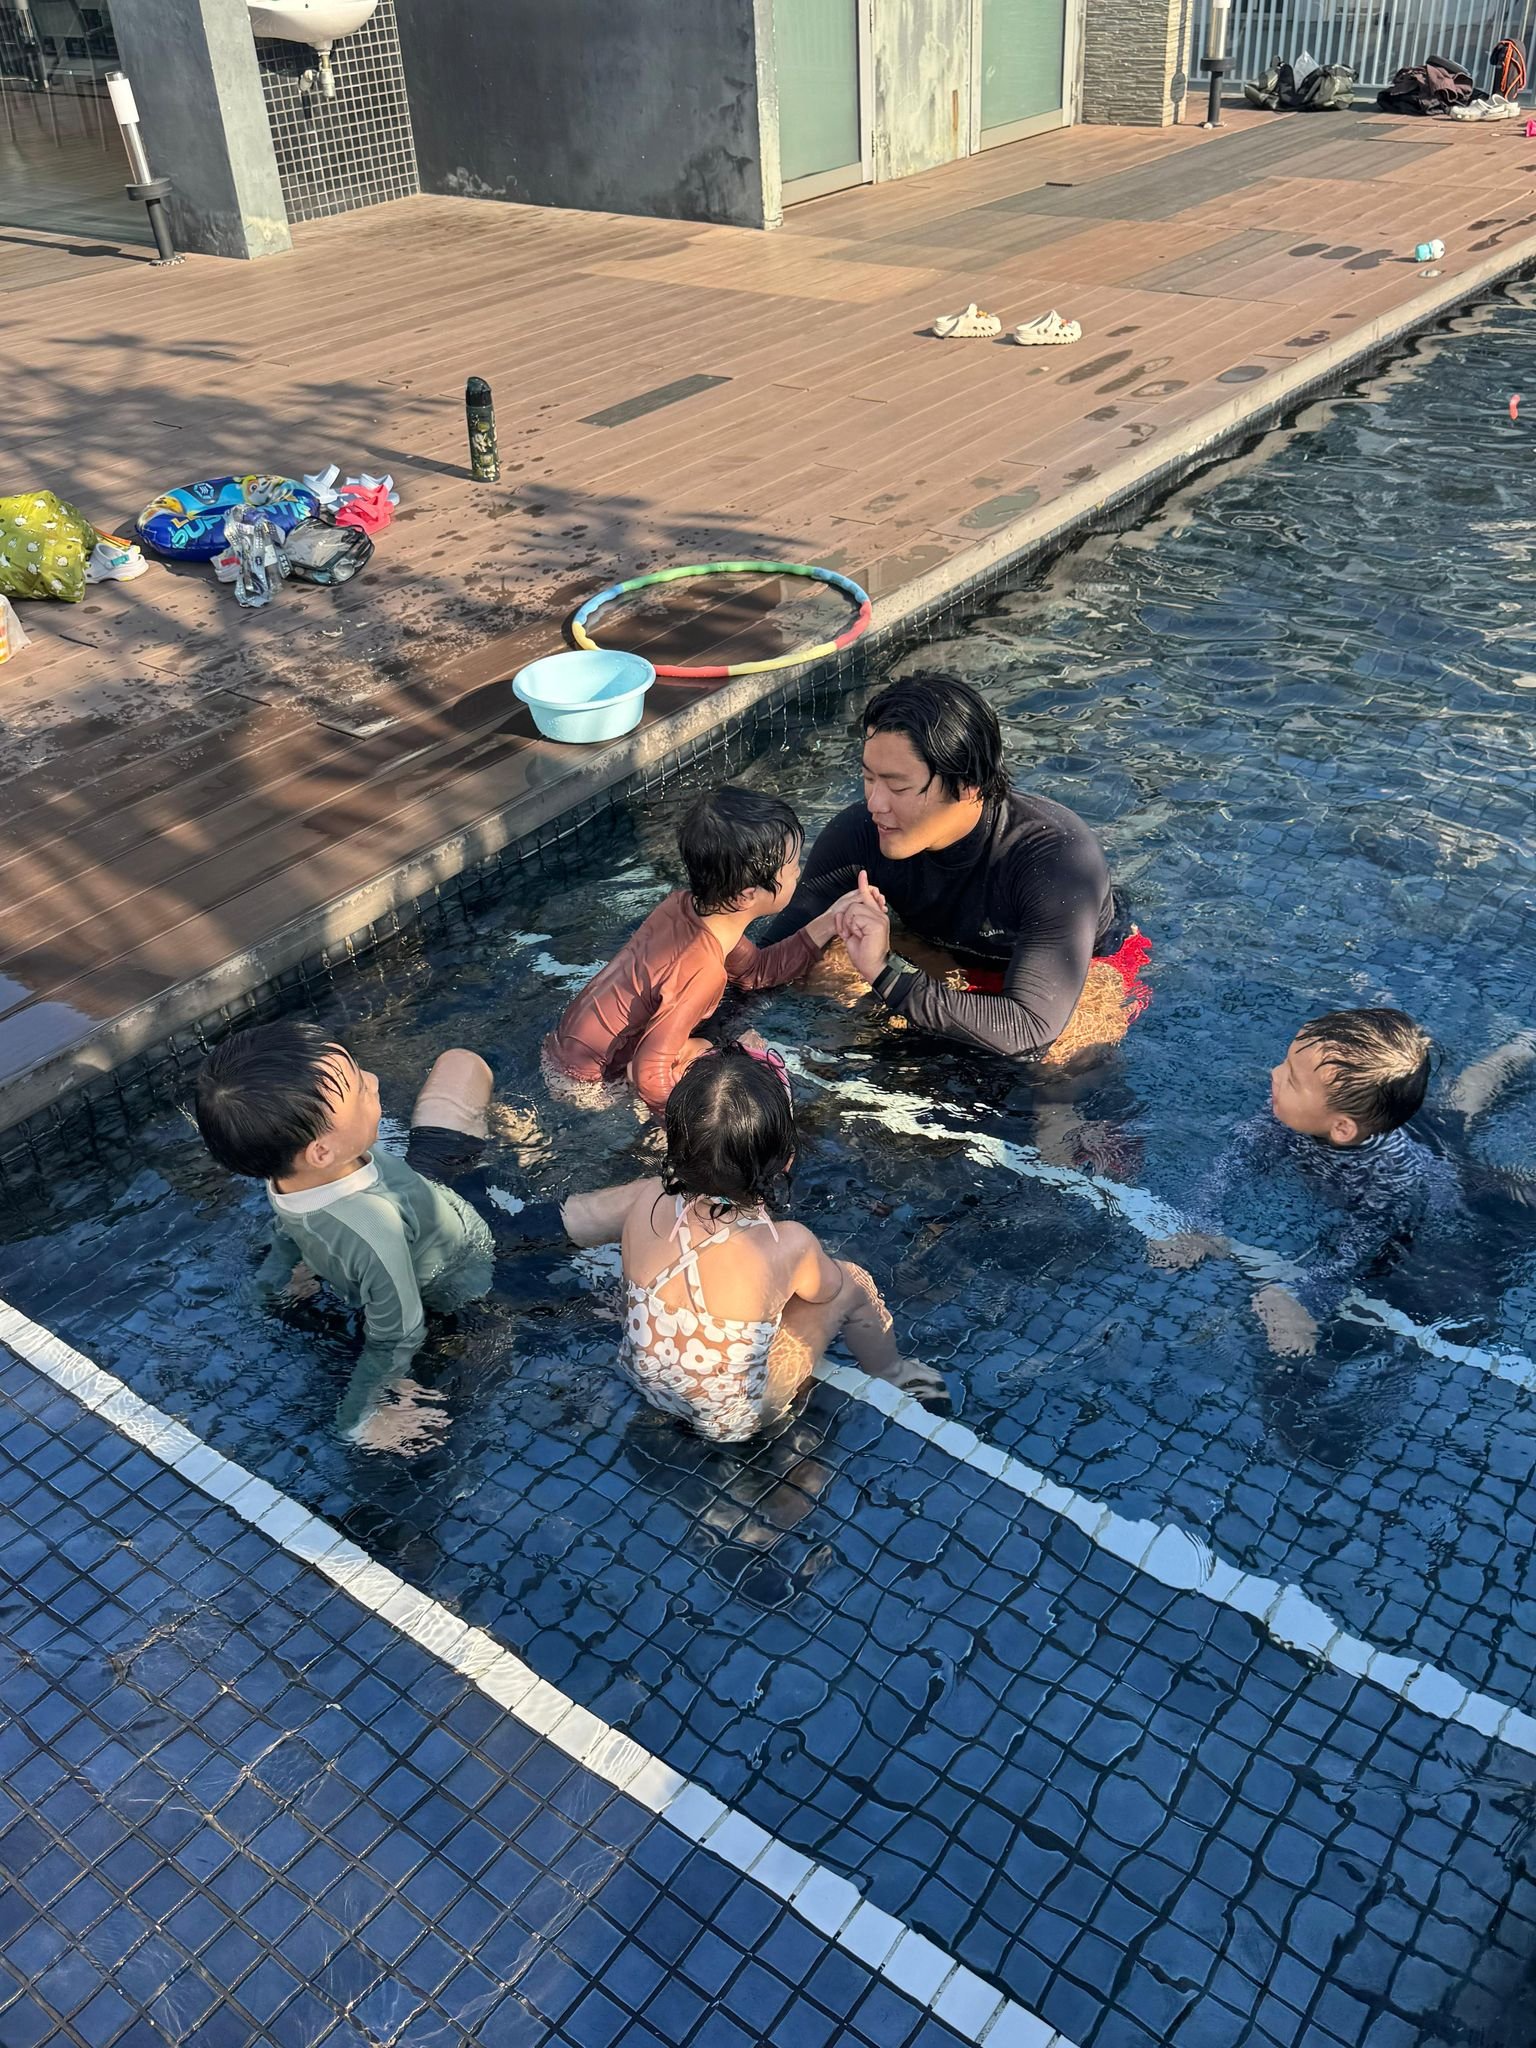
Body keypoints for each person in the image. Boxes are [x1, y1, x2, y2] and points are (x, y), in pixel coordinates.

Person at [195, 1020, 581, 1446]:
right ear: (322, 1151)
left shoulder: (294, 1178)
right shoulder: (370, 1230)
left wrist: (274, 1280)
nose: (375, 1081)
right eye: (360, 1088)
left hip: (425, 1201)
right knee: (631, 1213)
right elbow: (398, 1331)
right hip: (471, 1279)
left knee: (462, 1063)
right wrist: (358, 1416)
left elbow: (289, 1225)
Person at [763, 671, 1150, 1067]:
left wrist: (885, 974)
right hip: (941, 955)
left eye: (897, 787)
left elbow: (1028, 1031)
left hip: (1074, 977)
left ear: (967, 785)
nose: (875, 803)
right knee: (818, 969)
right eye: (867, 778)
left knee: (1055, 1068)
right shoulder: (859, 834)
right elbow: (766, 958)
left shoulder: (1055, 860)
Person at [563, 1043, 948, 1440]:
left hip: (643, 1380)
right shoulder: (789, 1243)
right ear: (786, 1160)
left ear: (674, 1145)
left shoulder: (648, 1199)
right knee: (851, 1281)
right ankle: (891, 1370)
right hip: (732, 1420)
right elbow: (824, 1292)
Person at [542, 785, 878, 1116]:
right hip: (591, 1085)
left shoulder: (682, 907)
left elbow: (757, 972)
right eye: (792, 868)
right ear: (747, 896)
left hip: (561, 1052)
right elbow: (648, 1073)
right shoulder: (704, 970)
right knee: (730, 1055)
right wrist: (691, 1134)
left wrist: (831, 920)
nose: (800, 871)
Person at [1149, 1008, 1454, 1355]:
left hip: (1429, 1183)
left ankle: (1512, 1055)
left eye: (1291, 1079)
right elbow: (1237, 1161)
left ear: (1341, 1127)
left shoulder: (1391, 1177)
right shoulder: (1289, 1114)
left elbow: (1356, 1250)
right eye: (1285, 1065)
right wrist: (1200, 1222)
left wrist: (1304, 1300)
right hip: (1382, 1128)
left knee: (1462, 1118)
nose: (1274, 1074)